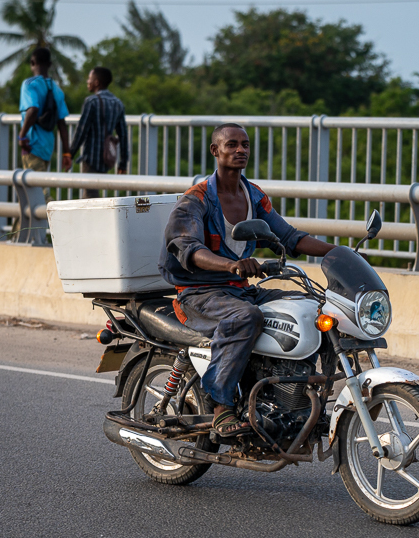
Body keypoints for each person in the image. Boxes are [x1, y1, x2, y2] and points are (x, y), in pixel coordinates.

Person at [159, 123, 336, 437]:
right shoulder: (195, 199)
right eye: (232, 144)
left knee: (312, 306)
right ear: (216, 151)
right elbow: (190, 249)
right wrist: (232, 265)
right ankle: (220, 406)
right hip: (200, 292)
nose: (240, 150)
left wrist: (339, 252)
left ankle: (301, 394)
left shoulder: (254, 195)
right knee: (246, 317)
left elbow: (290, 237)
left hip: (238, 289)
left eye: (245, 144)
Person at [17, 47, 71, 201]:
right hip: (47, 147)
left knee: (36, 194)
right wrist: (66, 153)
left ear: (32, 63)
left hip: (32, 144)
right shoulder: (57, 89)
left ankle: (56, 219)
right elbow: (62, 124)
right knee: (31, 194)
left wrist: (21, 136)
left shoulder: (29, 84)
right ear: (50, 64)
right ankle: (24, 225)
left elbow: (32, 110)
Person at [67, 66, 129, 198]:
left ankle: (94, 219)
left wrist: (70, 154)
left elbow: (81, 131)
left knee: (90, 195)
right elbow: (123, 135)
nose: (87, 82)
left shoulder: (91, 101)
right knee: (92, 193)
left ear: (96, 82)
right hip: (107, 158)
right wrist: (123, 163)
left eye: (89, 79)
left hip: (91, 158)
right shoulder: (117, 103)